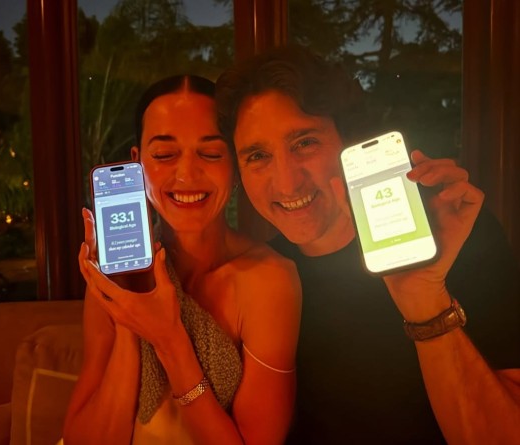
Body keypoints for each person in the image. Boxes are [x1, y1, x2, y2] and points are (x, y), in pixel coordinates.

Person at [216, 45, 520, 444]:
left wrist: (425, 300)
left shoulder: (457, 238)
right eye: (257, 155)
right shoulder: (262, 277)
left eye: (305, 143)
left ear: (348, 141)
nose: (287, 183)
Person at [63, 75, 301, 445]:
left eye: (211, 153)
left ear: (234, 166)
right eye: (164, 155)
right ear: (137, 163)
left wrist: (169, 340)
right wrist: (129, 315)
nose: (187, 174)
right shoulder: (115, 271)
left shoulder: (268, 279)